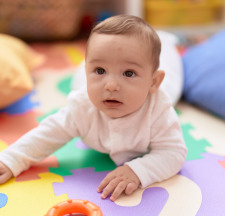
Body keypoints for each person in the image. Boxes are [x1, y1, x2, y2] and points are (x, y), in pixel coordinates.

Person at [0, 15, 187, 201]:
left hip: (161, 82)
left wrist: (138, 171)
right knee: (81, 79)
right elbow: (48, 132)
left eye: (129, 73)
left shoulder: (159, 109)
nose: (111, 85)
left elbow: (174, 152)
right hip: (86, 81)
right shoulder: (82, 106)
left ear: (154, 82)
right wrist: (12, 159)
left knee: (171, 77)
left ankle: (166, 39)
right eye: (100, 70)